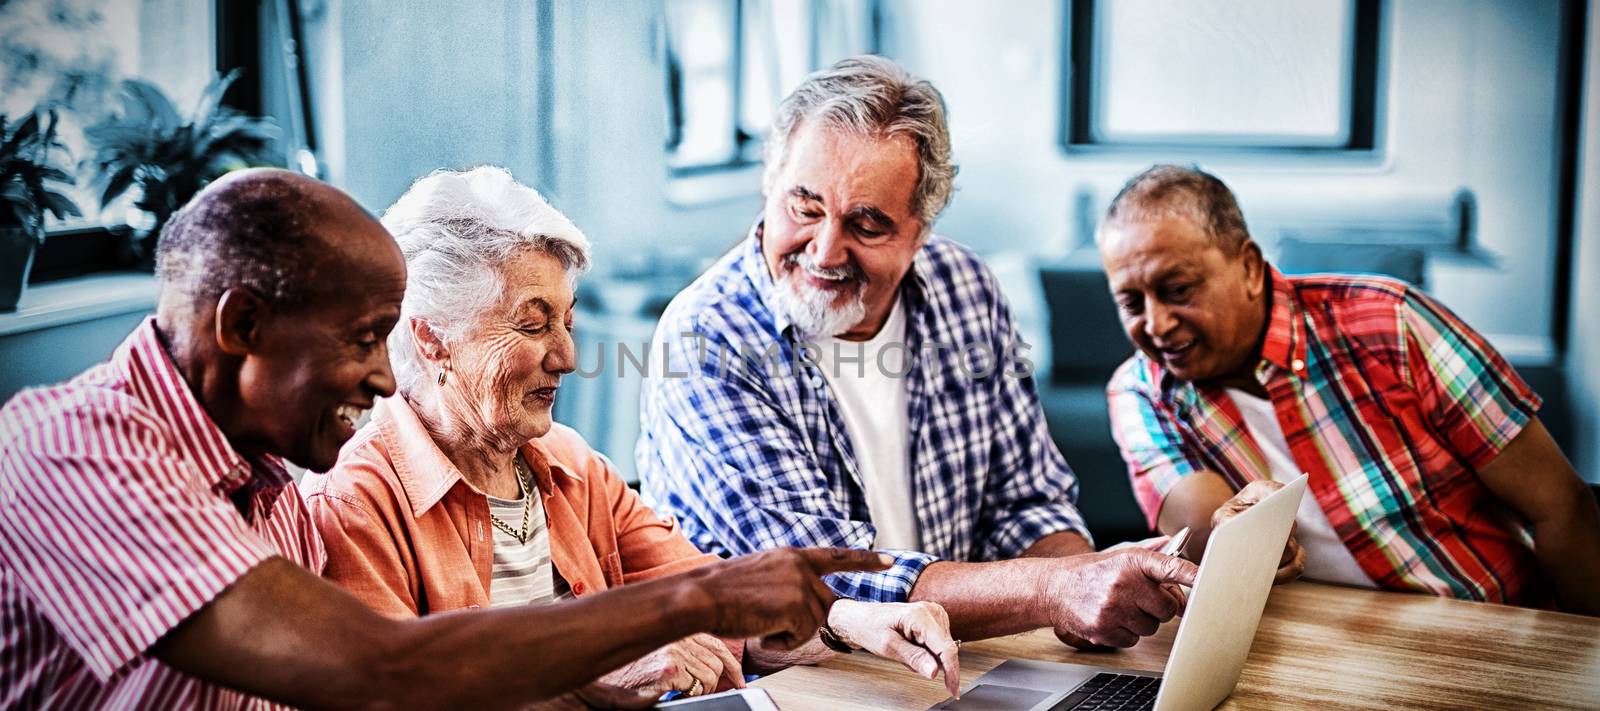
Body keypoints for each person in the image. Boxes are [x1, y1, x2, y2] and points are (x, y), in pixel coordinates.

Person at [0, 168, 895, 710]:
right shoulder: (73, 451)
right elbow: (386, 673)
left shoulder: (271, 481)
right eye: (363, 341)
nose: (387, 379)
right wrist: (692, 603)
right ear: (242, 327)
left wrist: (815, 610)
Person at [302, 166, 960, 699]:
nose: (567, 356)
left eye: (567, 318)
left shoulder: (567, 464)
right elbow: (393, 696)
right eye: (533, 325)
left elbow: (720, 599)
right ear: (431, 337)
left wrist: (859, 621)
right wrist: (587, 669)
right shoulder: (354, 502)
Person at [637, 55, 1198, 652]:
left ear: (919, 231)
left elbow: (1025, 501)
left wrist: (1087, 589)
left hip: (956, 663)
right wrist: (1056, 589)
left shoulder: (965, 287)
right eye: (804, 208)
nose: (825, 251)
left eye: (867, 225)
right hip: (794, 680)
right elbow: (822, 578)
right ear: (769, 189)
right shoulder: (707, 340)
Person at [1099, 164, 1600, 614]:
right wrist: (1241, 535)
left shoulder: (1393, 324)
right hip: (1316, 655)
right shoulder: (1141, 391)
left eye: (1178, 289)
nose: (1157, 324)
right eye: (1131, 303)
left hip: (1485, 624)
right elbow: (1207, 540)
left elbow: (1562, 506)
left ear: (1249, 267)